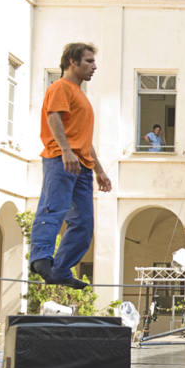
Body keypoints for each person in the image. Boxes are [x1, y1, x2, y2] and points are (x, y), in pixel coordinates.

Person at [29, 43, 112, 289]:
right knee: (53, 208)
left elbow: (83, 139)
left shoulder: (81, 96)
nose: (94, 66)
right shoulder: (60, 87)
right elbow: (53, 117)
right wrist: (65, 150)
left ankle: (61, 269)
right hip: (62, 159)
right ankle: (41, 259)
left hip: (83, 165)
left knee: (84, 224)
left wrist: (99, 170)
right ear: (72, 62)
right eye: (88, 61)